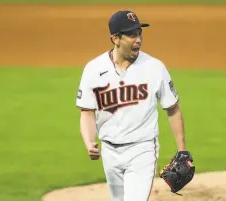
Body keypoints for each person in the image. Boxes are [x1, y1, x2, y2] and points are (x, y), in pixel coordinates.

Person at [76, 10, 192, 201]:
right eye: (131, 34)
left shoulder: (154, 67)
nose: (138, 39)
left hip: (143, 150)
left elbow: (173, 108)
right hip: (110, 152)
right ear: (115, 38)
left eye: (139, 33)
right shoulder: (93, 70)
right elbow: (87, 112)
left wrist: (182, 150)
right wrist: (89, 142)